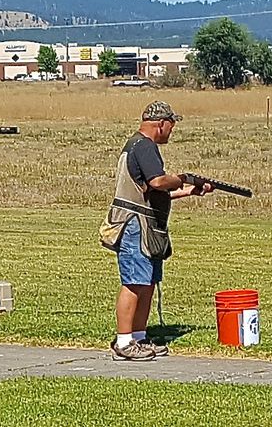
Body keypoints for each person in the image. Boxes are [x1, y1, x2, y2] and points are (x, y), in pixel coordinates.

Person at [99, 101, 213, 361]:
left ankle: (139, 338)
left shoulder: (140, 146)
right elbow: (158, 182)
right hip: (134, 227)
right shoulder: (144, 146)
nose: (171, 131)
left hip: (145, 225)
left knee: (147, 283)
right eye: (171, 125)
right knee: (134, 283)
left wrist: (191, 191)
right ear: (161, 123)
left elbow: (154, 194)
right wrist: (183, 178)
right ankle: (124, 342)